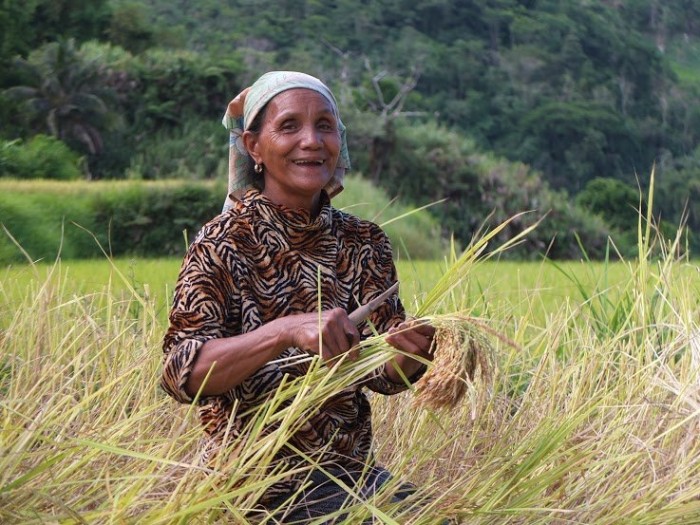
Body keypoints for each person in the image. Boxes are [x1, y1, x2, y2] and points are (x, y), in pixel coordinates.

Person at [161, 71, 435, 523]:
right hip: (250, 482)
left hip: (351, 475)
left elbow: (386, 377)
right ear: (253, 146)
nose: (311, 140)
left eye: (324, 126)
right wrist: (285, 331)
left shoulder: (363, 242)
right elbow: (181, 373)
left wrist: (411, 355)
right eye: (289, 126)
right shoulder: (223, 243)